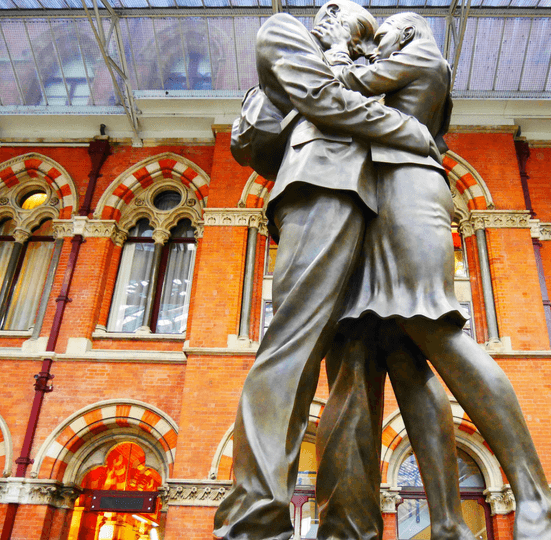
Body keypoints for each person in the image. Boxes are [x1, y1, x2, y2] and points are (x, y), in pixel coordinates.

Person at [319, 12, 551, 540]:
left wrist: (341, 47)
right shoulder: (407, 64)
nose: (376, 44)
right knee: (402, 353)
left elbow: (341, 88)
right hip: (377, 200)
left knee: (434, 326)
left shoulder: (422, 55)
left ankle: (538, 501)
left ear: (408, 33)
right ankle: (446, 523)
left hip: (406, 191)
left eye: (382, 35)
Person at [215, 2, 440, 538]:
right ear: (332, 14)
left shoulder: (364, 66)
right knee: (291, 346)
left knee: (358, 371)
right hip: (322, 189)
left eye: (368, 40)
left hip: (375, 208)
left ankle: (351, 525)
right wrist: (408, 131)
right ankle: (255, 518)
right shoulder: (285, 32)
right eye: (358, 31)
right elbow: (321, 100)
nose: (362, 45)